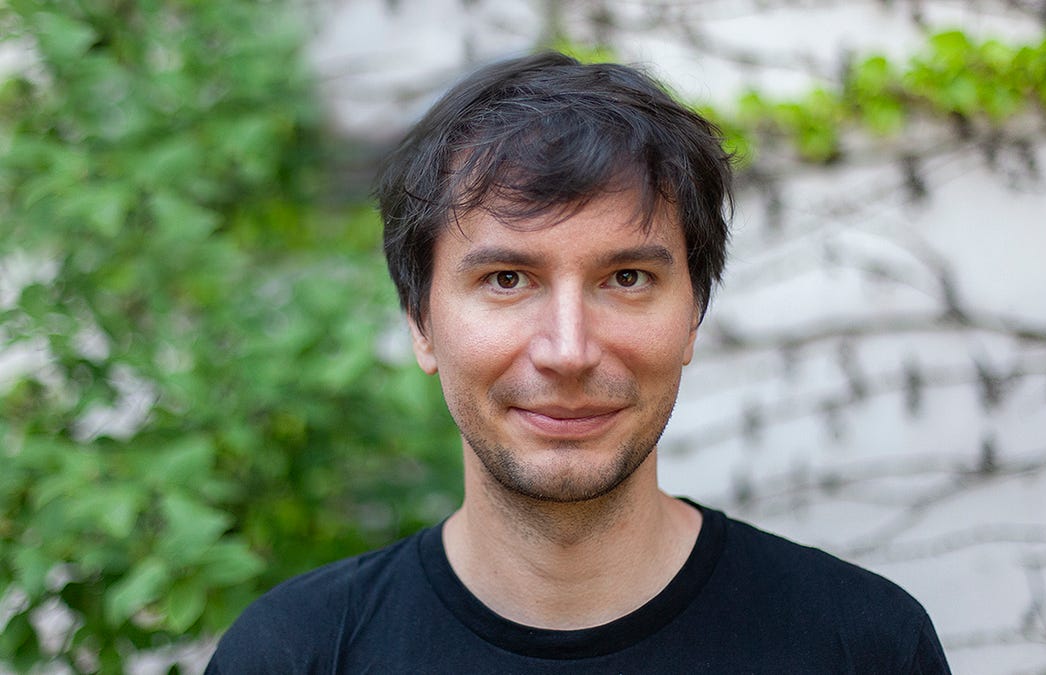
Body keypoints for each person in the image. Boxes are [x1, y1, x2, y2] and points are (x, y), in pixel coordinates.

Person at [206, 52, 951, 673]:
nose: (568, 350)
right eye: (507, 279)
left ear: (693, 316)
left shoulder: (863, 646)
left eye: (626, 278)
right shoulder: (294, 655)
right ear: (419, 321)